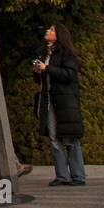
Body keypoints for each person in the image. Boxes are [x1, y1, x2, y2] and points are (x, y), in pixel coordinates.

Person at [33, 22, 86, 187]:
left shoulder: (68, 54)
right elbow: (42, 79)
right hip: (49, 100)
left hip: (65, 101)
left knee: (70, 138)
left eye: (51, 30)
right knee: (54, 137)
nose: (47, 31)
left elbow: (69, 75)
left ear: (58, 35)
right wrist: (38, 72)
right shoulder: (44, 53)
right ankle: (62, 175)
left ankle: (78, 176)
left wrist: (47, 68)